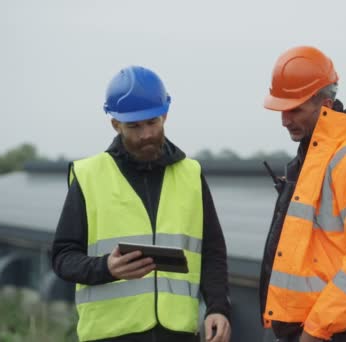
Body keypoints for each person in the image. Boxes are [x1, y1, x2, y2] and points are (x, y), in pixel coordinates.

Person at [51, 66, 231, 342]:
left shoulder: (191, 174)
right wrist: (106, 268)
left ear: (165, 115)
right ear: (115, 124)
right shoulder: (89, 176)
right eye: (135, 126)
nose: (146, 133)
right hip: (110, 335)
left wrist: (218, 307)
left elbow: (213, 251)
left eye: (153, 122)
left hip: (179, 334)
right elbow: (63, 257)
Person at [259, 46, 346, 342]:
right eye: (282, 109)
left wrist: (315, 331)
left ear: (326, 103)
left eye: (295, 108)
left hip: (332, 333)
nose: (285, 120)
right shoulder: (309, 164)